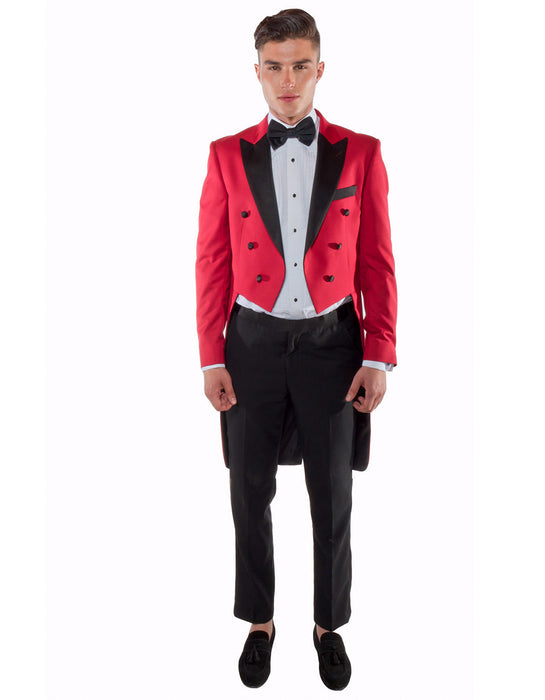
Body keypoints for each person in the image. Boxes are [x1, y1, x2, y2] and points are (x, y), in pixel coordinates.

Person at [195, 8, 397, 690]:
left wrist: (378, 354)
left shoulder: (361, 151)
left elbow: (377, 261)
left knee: (332, 493)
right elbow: (212, 262)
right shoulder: (226, 153)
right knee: (248, 491)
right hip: (249, 343)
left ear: (320, 69)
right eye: (275, 67)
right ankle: (260, 623)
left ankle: (327, 626)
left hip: (332, 343)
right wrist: (211, 356)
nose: (288, 81)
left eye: (300, 66)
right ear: (257, 71)